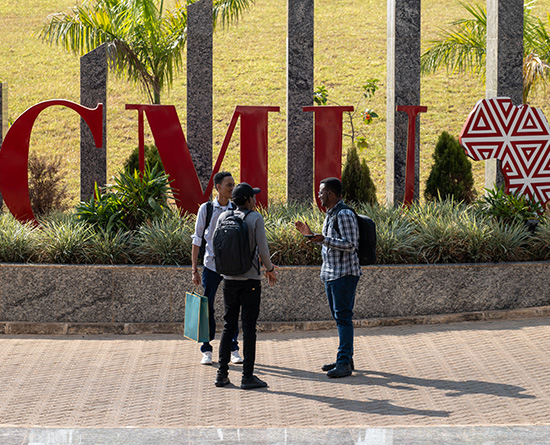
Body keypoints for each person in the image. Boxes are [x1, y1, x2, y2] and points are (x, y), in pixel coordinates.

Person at [295, 177, 361, 378]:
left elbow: (351, 244)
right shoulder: (331, 214)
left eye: (321, 192)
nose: (319, 195)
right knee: (339, 317)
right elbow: (330, 242)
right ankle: (346, 358)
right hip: (332, 273)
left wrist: (324, 239)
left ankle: (343, 362)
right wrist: (312, 236)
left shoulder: (344, 215)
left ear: (331, 194)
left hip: (344, 274)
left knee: (343, 317)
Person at [214, 182, 277, 390]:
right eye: (254, 197)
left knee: (228, 325)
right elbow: (263, 249)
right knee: (249, 328)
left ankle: (222, 374)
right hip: (250, 280)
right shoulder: (255, 218)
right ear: (249, 200)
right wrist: (269, 269)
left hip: (229, 279)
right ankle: (247, 377)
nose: (256, 200)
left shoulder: (224, 217)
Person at [191, 171, 242, 365]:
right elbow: (197, 239)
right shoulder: (207, 209)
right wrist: (194, 269)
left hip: (231, 267)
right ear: (217, 187)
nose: (232, 188)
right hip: (211, 266)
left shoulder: (236, 208)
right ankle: (206, 348)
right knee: (207, 307)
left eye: (233, 184)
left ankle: (233, 347)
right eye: (228, 185)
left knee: (232, 307)